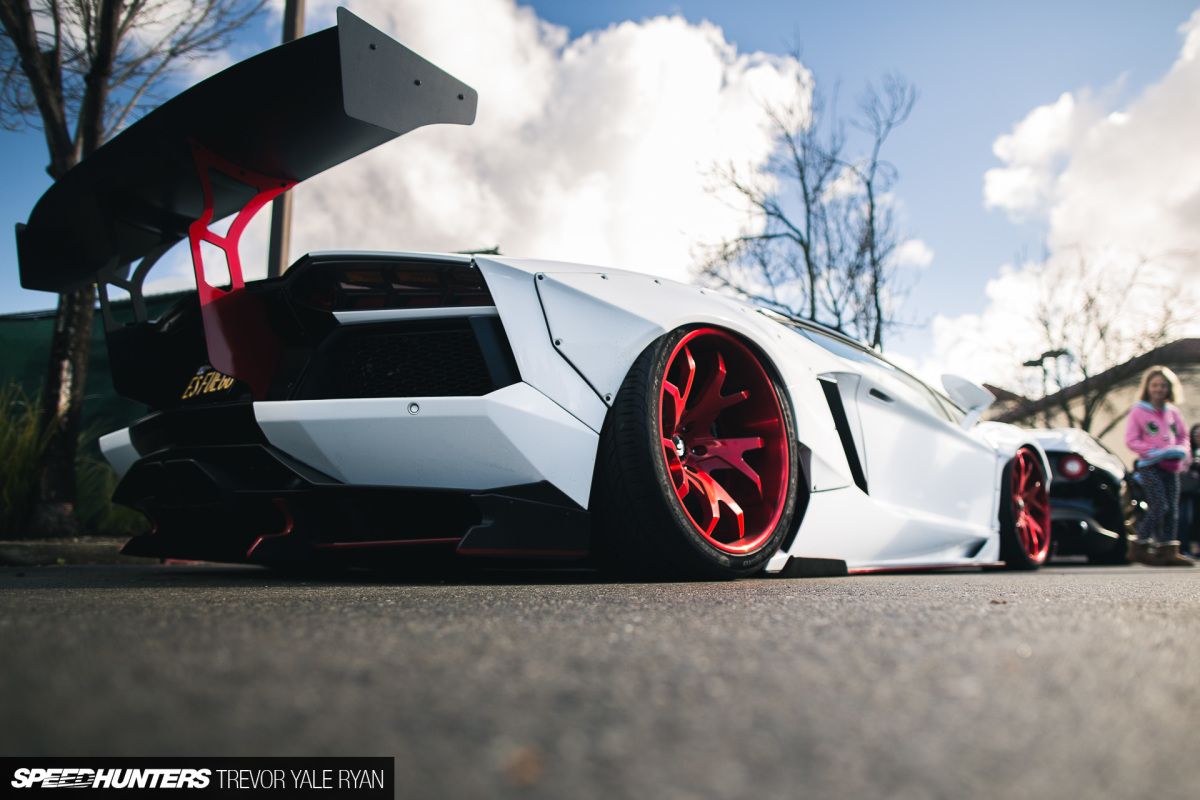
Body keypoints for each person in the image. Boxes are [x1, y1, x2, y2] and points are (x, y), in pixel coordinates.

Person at [1124, 366, 1193, 566]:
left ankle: (1169, 549)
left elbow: (1183, 436)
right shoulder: (1138, 411)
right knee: (1159, 505)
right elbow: (1131, 439)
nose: (1159, 389)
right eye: (1155, 385)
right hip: (1150, 465)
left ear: (1170, 388)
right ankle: (1140, 546)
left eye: (1163, 385)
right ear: (1148, 387)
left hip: (1172, 466)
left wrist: (1180, 449)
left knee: (1172, 507)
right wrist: (1153, 451)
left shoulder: (1173, 412)